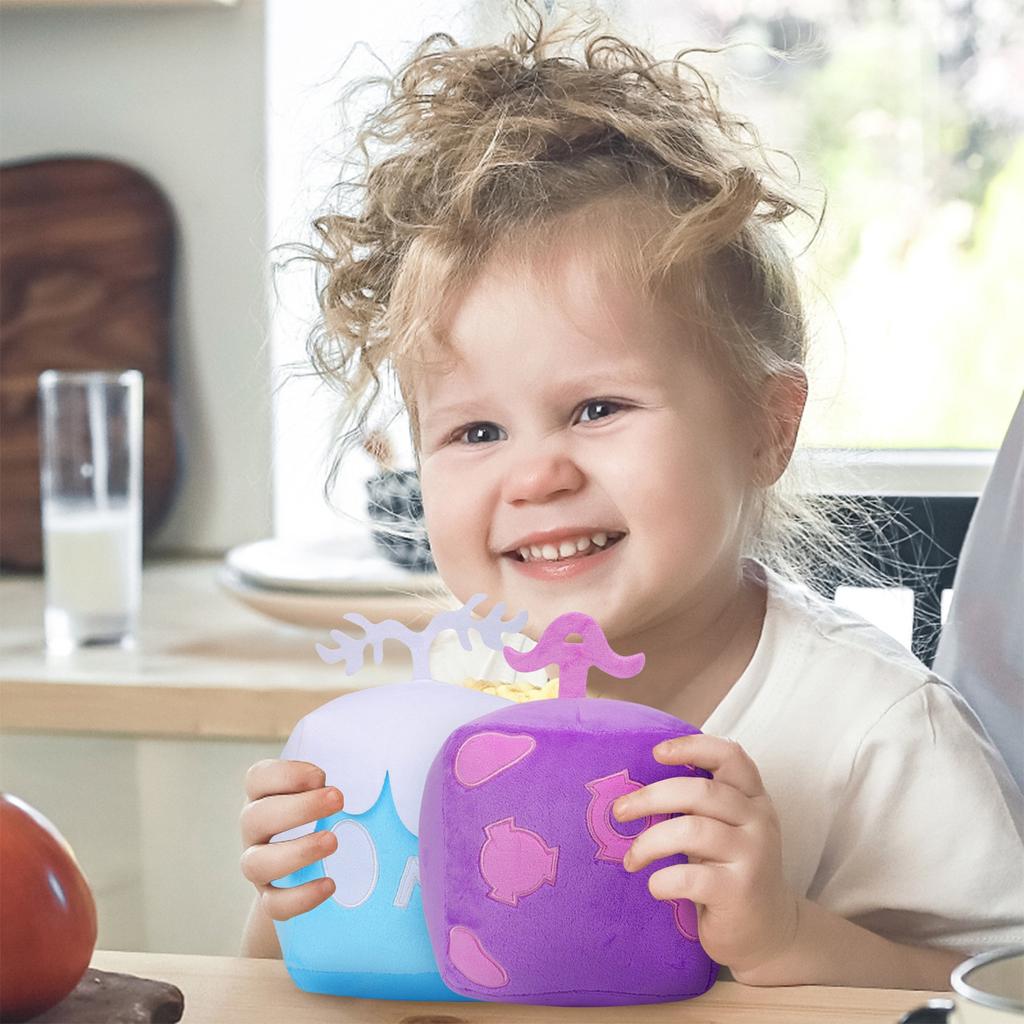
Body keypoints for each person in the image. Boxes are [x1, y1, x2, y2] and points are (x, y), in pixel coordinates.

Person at [239, 4, 1024, 988]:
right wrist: (296, 898)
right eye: (476, 432)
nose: (537, 476)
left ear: (765, 427)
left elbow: (1000, 983)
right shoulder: (446, 696)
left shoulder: (878, 730)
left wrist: (787, 938)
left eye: (597, 408)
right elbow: (278, 986)